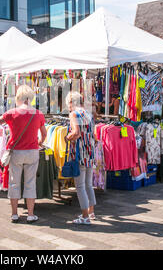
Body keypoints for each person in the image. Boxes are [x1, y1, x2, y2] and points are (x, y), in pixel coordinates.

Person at [0, 85, 47, 223]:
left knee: (14, 183)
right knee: (30, 182)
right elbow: (44, 133)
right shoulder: (38, 114)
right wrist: (39, 142)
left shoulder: (12, 113)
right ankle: (30, 214)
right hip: (32, 151)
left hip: (16, 151)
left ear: (18, 98)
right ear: (31, 98)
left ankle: (14, 214)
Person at [65, 92, 96, 225]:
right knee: (88, 184)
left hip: (80, 153)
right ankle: (91, 212)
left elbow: (76, 133)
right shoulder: (88, 113)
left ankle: (84, 217)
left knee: (80, 186)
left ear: (71, 102)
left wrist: (67, 137)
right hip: (90, 151)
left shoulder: (74, 114)